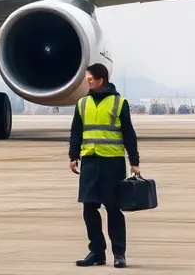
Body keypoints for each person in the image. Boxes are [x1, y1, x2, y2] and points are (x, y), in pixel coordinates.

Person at [69, 62, 139, 268]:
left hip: (112, 162)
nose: (87, 81)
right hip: (89, 161)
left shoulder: (119, 103)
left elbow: (129, 133)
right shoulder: (82, 103)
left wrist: (134, 161)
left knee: (113, 209)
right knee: (89, 208)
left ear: (101, 79)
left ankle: (119, 253)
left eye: (90, 78)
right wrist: (73, 156)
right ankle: (97, 252)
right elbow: (76, 132)